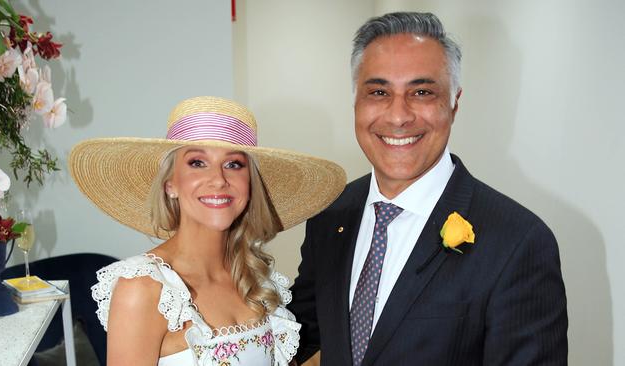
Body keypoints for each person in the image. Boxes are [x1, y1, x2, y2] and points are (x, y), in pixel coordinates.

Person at [288, 12, 568, 366]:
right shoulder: (331, 215)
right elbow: (298, 337)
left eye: (421, 92)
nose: (398, 116)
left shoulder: (518, 242)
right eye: (378, 92)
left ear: (454, 103)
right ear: (356, 103)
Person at [68, 96, 346, 366]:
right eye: (197, 163)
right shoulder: (143, 288)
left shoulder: (259, 281)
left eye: (234, 164)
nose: (218, 179)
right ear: (170, 184)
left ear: (249, 184)